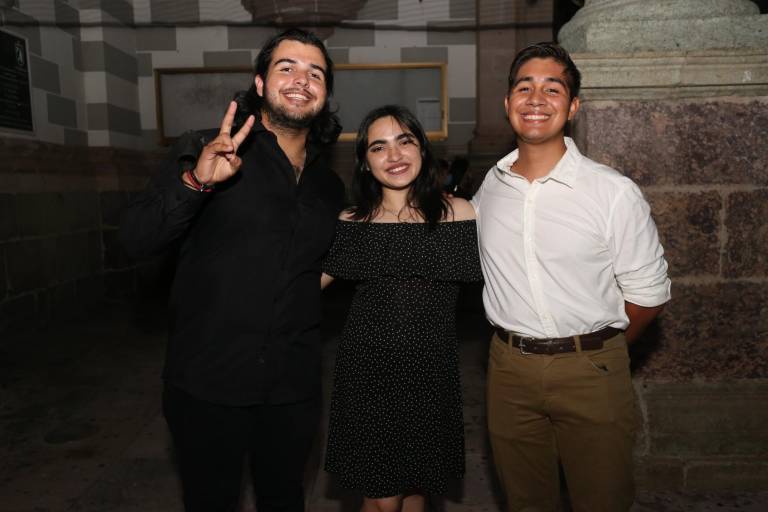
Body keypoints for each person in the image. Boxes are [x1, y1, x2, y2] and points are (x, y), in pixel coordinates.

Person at [119, 28, 345, 512]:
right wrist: (197, 181)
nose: (301, 79)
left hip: (292, 385)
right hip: (208, 381)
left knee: (284, 500)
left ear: (325, 94)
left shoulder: (328, 186)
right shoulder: (208, 148)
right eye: (286, 67)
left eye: (315, 73)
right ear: (260, 84)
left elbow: (315, 269)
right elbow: (137, 238)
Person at [471, 43, 671, 512]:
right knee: (525, 500)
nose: (536, 98)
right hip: (508, 370)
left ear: (573, 106)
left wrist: (597, 356)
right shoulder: (490, 189)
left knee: (602, 499)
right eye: (524, 87)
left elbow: (648, 296)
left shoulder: (612, 193)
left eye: (552, 88)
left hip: (591, 370)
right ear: (507, 103)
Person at [320, 105, 482, 512]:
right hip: (367, 375)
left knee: (416, 490)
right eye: (379, 147)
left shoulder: (459, 214)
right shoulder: (352, 220)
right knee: (382, 497)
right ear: (365, 162)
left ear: (422, 150)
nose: (394, 156)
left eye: (404, 141)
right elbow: (303, 288)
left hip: (431, 374)